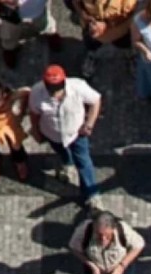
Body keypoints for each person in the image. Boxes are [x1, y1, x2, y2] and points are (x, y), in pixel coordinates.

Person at [29, 65, 102, 204]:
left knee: (84, 162)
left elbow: (95, 100)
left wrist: (89, 124)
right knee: (62, 152)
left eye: (57, 89)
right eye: (51, 89)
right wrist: (35, 131)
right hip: (52, 134)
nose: (54, 94)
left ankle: (92, 196)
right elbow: (34, 113)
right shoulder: (36, 92)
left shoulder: (78, 86)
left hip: (76, 133)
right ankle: (67, 164)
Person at [77, 0, 137, 79]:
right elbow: (76, 3)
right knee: (91, 44)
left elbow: (133, 13)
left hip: (120, 28)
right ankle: (92, 56)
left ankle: (130, 56)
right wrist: (85, 16)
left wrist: (107, 25)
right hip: (92, 27)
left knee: (125, 43)